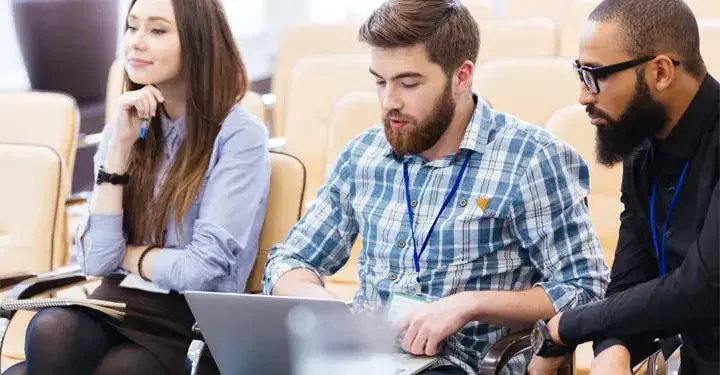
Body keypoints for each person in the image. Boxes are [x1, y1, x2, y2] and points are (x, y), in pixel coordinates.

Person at [263, 1, 609, 374]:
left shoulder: (532, 159)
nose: (389, 101)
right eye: (380, 81)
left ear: (461, 77)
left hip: (462, 365)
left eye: (408, 83)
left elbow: (586, 290)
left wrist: (471, 304)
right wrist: (325, 307)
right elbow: (289, 260)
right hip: (363, 361)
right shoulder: (364, 155)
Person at [2, 0, 270, 374]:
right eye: (132, 27)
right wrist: (119, 151)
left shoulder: (240, 136)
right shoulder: (123, 128)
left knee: (120, 369)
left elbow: (202, 269)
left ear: (198, 42)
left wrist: (129, 257)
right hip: (115, 302)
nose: (136, 42)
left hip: (190, 320)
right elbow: (96, 260)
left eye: (157, 30)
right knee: (53, 330)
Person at [526, 1, 719, 374]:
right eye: (580, 73)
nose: (583, 95)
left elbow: (703, 287)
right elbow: (629, 279)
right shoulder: (642, 148)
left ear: (660, 72)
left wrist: (568, 326)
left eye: (595, 74)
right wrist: (613, 348)